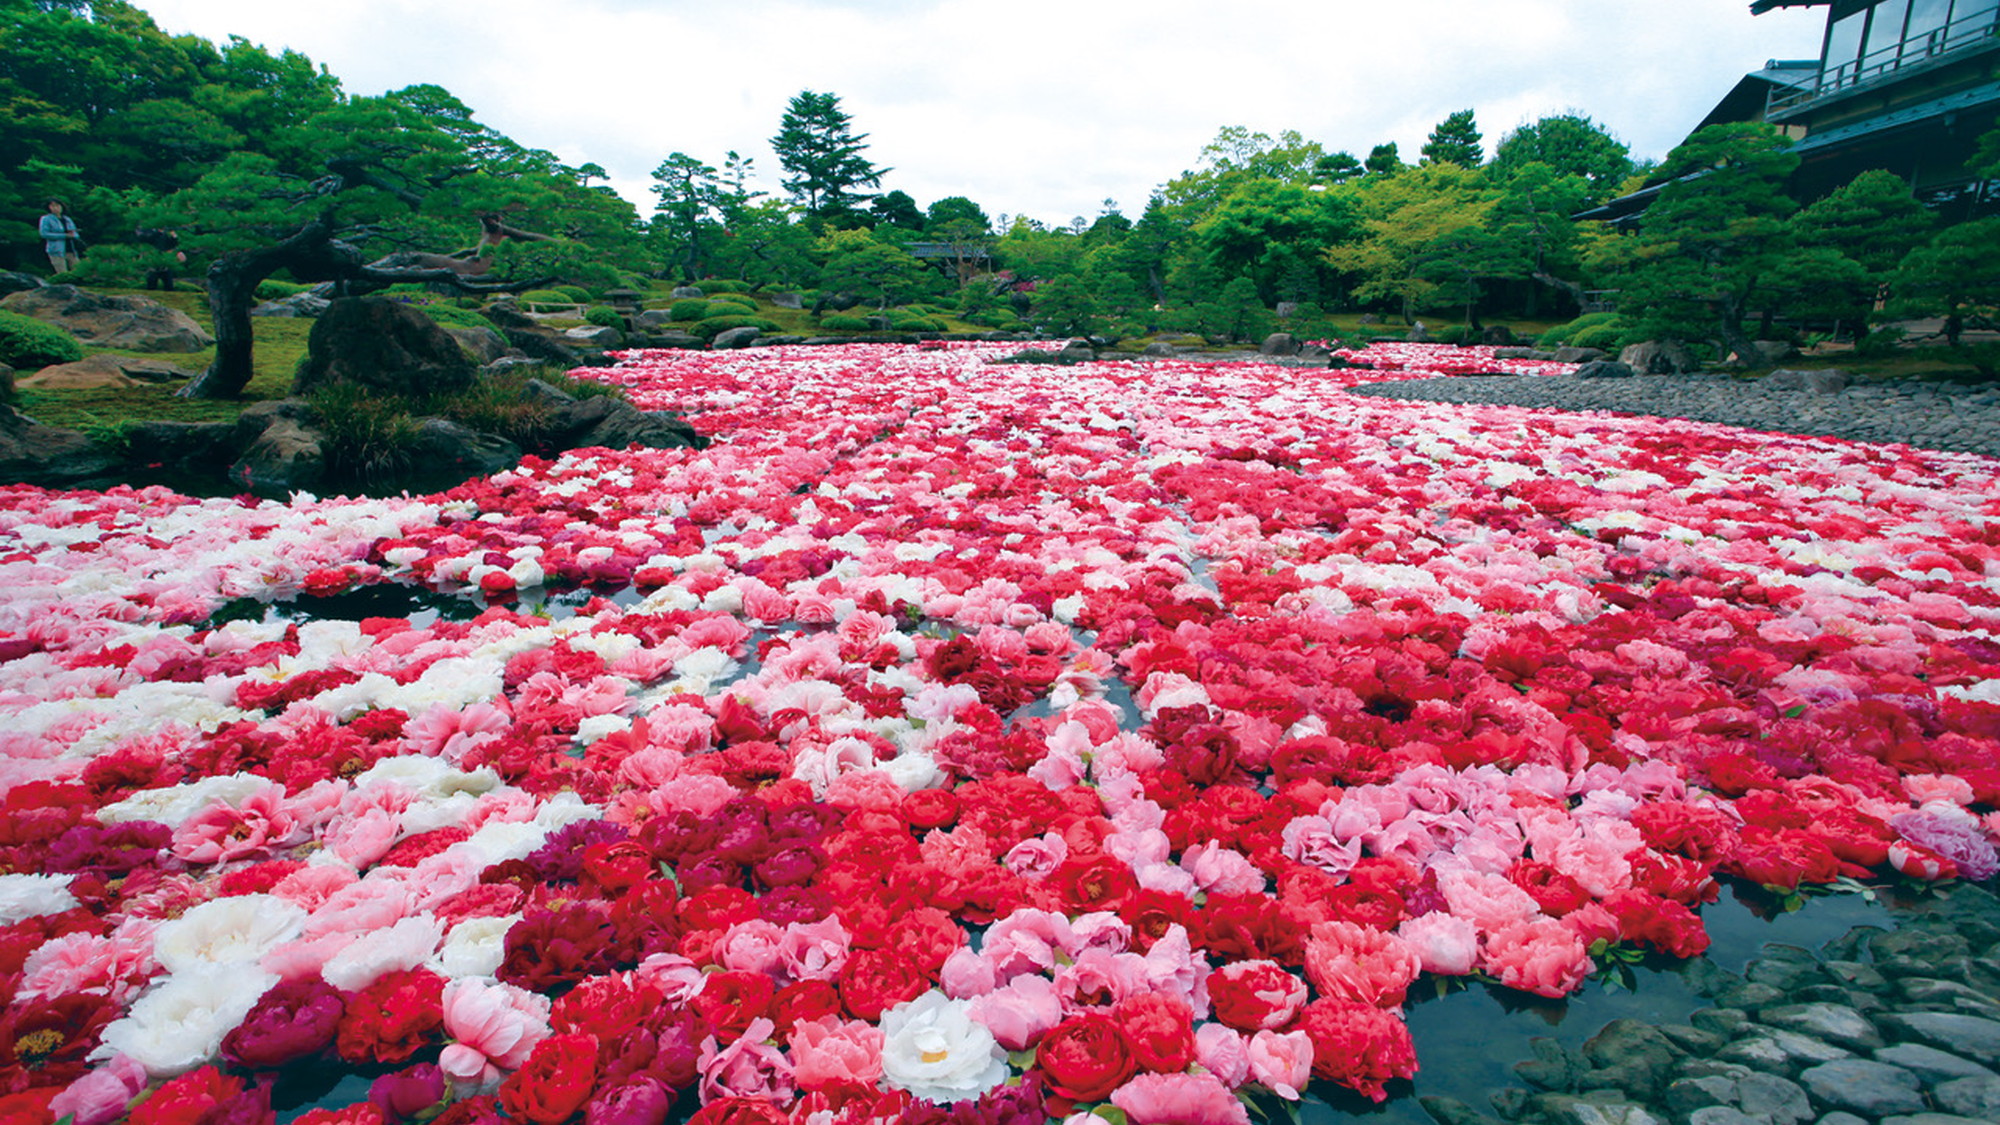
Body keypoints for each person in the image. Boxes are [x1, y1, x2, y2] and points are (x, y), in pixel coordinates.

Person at [39, 200, 81, 274]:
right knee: (62, 272)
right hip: (56, 250)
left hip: (71, 249)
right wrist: (64, 236)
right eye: (53, 206)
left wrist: (73, 235)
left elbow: (75, 233)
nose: (56, 208)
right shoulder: (46, 219)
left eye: (57, 206)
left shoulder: (67, 219)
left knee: (79, 271)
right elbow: (44, 234)